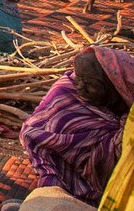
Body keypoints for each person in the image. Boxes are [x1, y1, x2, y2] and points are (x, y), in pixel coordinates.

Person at [20, 47, 134, 206]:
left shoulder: (130, 114)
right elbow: (33, 130)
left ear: (114, 85)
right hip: (64, 167)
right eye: (79, 77)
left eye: (90, 84)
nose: (80, 86)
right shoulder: (67, 91)